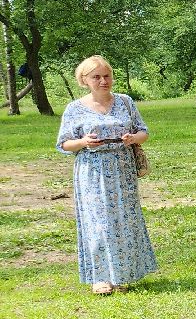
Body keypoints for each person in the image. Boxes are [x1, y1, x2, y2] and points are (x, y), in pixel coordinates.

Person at [56, 56, 158, 295]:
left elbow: (143, 132)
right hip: (92, 172)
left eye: (107, 76)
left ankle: (122, 274)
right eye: (96, 77)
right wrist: (83, 142)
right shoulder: (74, 109)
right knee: (97, 223)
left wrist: (132, 138)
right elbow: (63, 144)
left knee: (124, 221)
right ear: (84, 80)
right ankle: (100, 277)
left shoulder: (125, 102)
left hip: (122, 170)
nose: (103, 81)